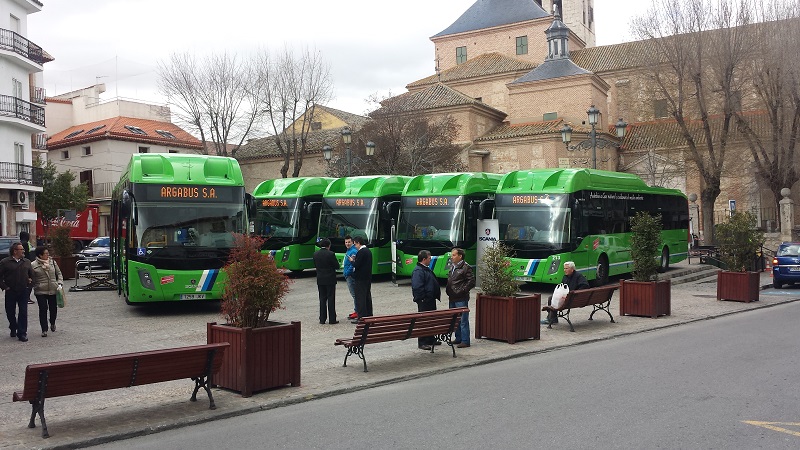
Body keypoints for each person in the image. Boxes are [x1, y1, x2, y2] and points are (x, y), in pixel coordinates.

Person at [1, 242, 34, 342]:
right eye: (21, 249)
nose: (24, 251)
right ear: (15, 251)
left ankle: (22, 333)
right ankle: (13, 326)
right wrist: (5, 287)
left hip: (23, 290)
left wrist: (29, 287)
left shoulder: (27, 262)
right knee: (10, 312)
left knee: (23, 312)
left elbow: (32, 275)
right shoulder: (5, 262)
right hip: (10, 290)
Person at [541, 260, 590, 325]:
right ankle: (552, 318)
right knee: (552, 298)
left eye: (566, 268)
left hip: (572, 299)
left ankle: (551, 318)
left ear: (572, 269)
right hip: (568, 298)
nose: (564, 270)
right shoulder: (565, 277)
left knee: (551, 299)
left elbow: (585, 286)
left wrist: (574, 294)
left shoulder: (578, 276)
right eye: (564, 268)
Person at [411, 250, 441, 350]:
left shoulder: (425, 269)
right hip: (425, 301)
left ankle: (430, 338)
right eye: (429, 258)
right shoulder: (418, 271)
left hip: (430, 299)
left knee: (431, 320)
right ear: (424, 259)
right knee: (423, 321)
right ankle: (422, 341)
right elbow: (417, 287)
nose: (430, 259)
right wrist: (423, 298)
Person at [31, 246, 63, 337]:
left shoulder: (52, 262)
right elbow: (31, 277)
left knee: (53, 308)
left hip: (53, 289)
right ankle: (44, 329)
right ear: (40, 255)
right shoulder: (33, 265)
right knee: (43, 309)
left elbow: (59, 273)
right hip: (40, 290)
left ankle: (52, 322)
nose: (48, 255)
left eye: (48, 253)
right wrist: (34, 285)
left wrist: (60, 283)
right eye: (46, 253)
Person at [446, 247, 475, 348]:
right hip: (452, 296)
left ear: (460, 256)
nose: (451, 257)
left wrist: (461, 291)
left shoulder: (466, 267)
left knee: (463, 319)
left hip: (461, 297)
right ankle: (458, 338)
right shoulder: (453, 266)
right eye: (451, 255)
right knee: (455, 319)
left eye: (454, 255)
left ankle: (465, 340)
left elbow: (471, 282)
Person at [313, 239, 339, 325]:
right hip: (330, 279)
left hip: (320, 279)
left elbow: (315, 265)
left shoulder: (315, 254)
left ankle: (322, 319)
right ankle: (332, 319)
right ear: (329, 245)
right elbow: (336, 266)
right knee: (331, 298)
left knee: (322, 299)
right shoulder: (331, 254)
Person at [350, 236, 373, 322]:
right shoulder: (368, 251)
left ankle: (361, 317)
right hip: (367, 278)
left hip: (360, 278)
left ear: (358, 243)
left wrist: (352, 261)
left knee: (360, 298)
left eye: (355, 244)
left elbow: (357, 265)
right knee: (367, 297)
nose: (355, 246)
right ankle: (368, 314)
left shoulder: (361, 252)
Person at [343, 235, 358, 320]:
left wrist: (347, 273)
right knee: (354, 294)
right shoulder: (349, 250)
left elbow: (352, 265)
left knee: (355, 294)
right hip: (349, 275)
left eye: (349, 242)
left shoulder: (353, 251)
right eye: (346, 242)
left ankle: (357, 311)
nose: (347, 244)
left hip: (351, 276)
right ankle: (356, 310)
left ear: (352, 242)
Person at [19, 231, 34, 304]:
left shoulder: (20, 243)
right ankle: (27, 297)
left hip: (22, 264)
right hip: (26, 264)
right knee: (30, 281)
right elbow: (27, 254)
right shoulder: (25, 243)